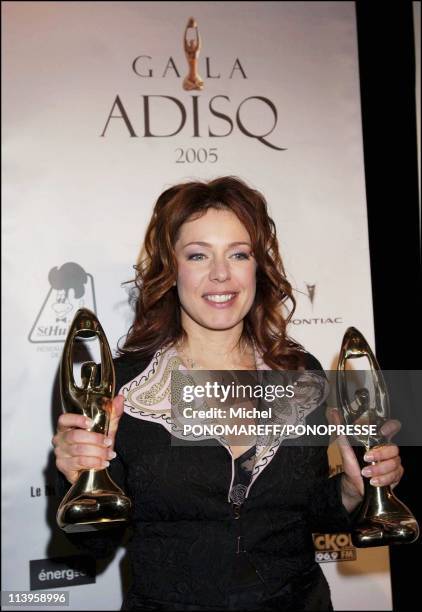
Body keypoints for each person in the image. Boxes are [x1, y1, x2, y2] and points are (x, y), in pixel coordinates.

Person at [53, 176, 404, 611]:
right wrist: (74, 478)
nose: (221, 273)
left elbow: (305, 514)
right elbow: (94, 546)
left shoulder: (300, 374)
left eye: (238, 254)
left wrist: (353, 490)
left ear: (258, 266)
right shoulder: (122, 385)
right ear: (171, 267)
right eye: (198, 255)